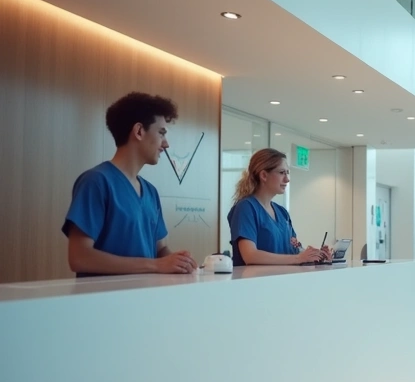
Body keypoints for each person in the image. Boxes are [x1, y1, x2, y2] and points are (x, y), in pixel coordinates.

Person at [62, 92, 197, 277]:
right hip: (103, 302)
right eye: (161, 133)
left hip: (145, 300)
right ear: (139, 131)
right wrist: (155, 265)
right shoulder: (96, 182)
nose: (166, 144)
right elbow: (80, 257)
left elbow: (161, 249)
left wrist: (179, 262)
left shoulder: (151, 192)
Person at [227, 148, 331, 266]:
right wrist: (298, 258)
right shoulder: (246, 208)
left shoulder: (282, 212)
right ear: (264, 175)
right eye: (282, 173)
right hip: (256, 282)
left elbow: (293, 252)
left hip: (282, 280)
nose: (287, 179)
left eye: (287, 173)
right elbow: (250, 255)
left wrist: (315, 255)